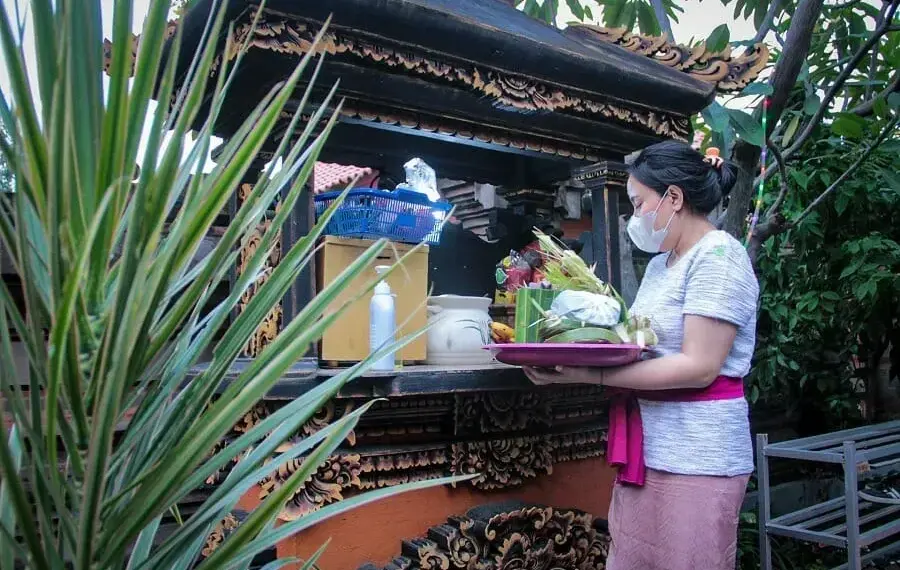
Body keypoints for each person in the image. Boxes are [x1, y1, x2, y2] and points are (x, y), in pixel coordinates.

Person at [524, 141, 759, 570]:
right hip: (647, 447)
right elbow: (645, 343)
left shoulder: (721, 257)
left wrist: (591, 378)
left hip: (698, 455)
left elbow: (699, 366)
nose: (634, 218)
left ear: (673, 197)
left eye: (637, 203)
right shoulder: (659, 266)